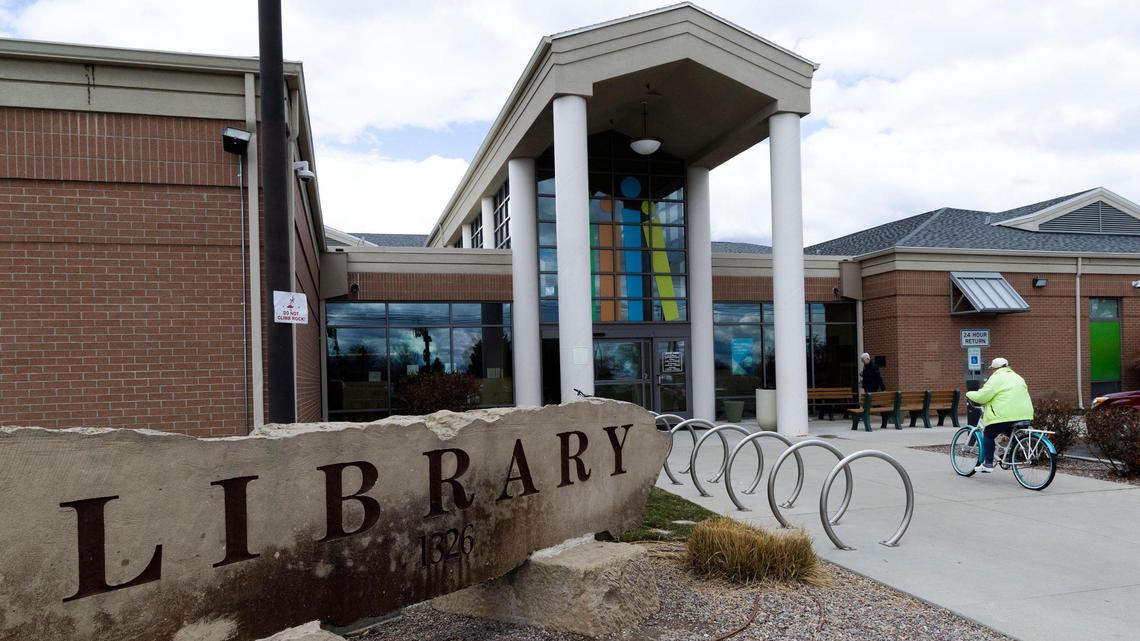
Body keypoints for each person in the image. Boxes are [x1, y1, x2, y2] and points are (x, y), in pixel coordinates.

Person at [965, 357, 1034, 473]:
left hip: (1004, 416)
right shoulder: (1018, 377)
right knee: (1011, 432)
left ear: (994, 369)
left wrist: (969, 393)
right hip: (1025, 414)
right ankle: (1011, 455)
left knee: (988, 434)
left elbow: (983, 396)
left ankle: (987, 464)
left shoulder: (995, 378)